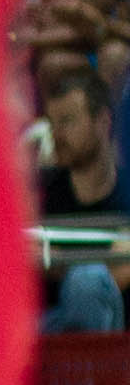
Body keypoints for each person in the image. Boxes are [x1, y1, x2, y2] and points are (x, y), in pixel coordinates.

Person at [38, 63, 127, 334]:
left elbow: (119, 276)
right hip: (52, 329)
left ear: (103, 121)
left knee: (87, 282)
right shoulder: (41, 192)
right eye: (52, 123)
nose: (56, 134)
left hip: (117, 337)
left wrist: (57, 262)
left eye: (67, 121)